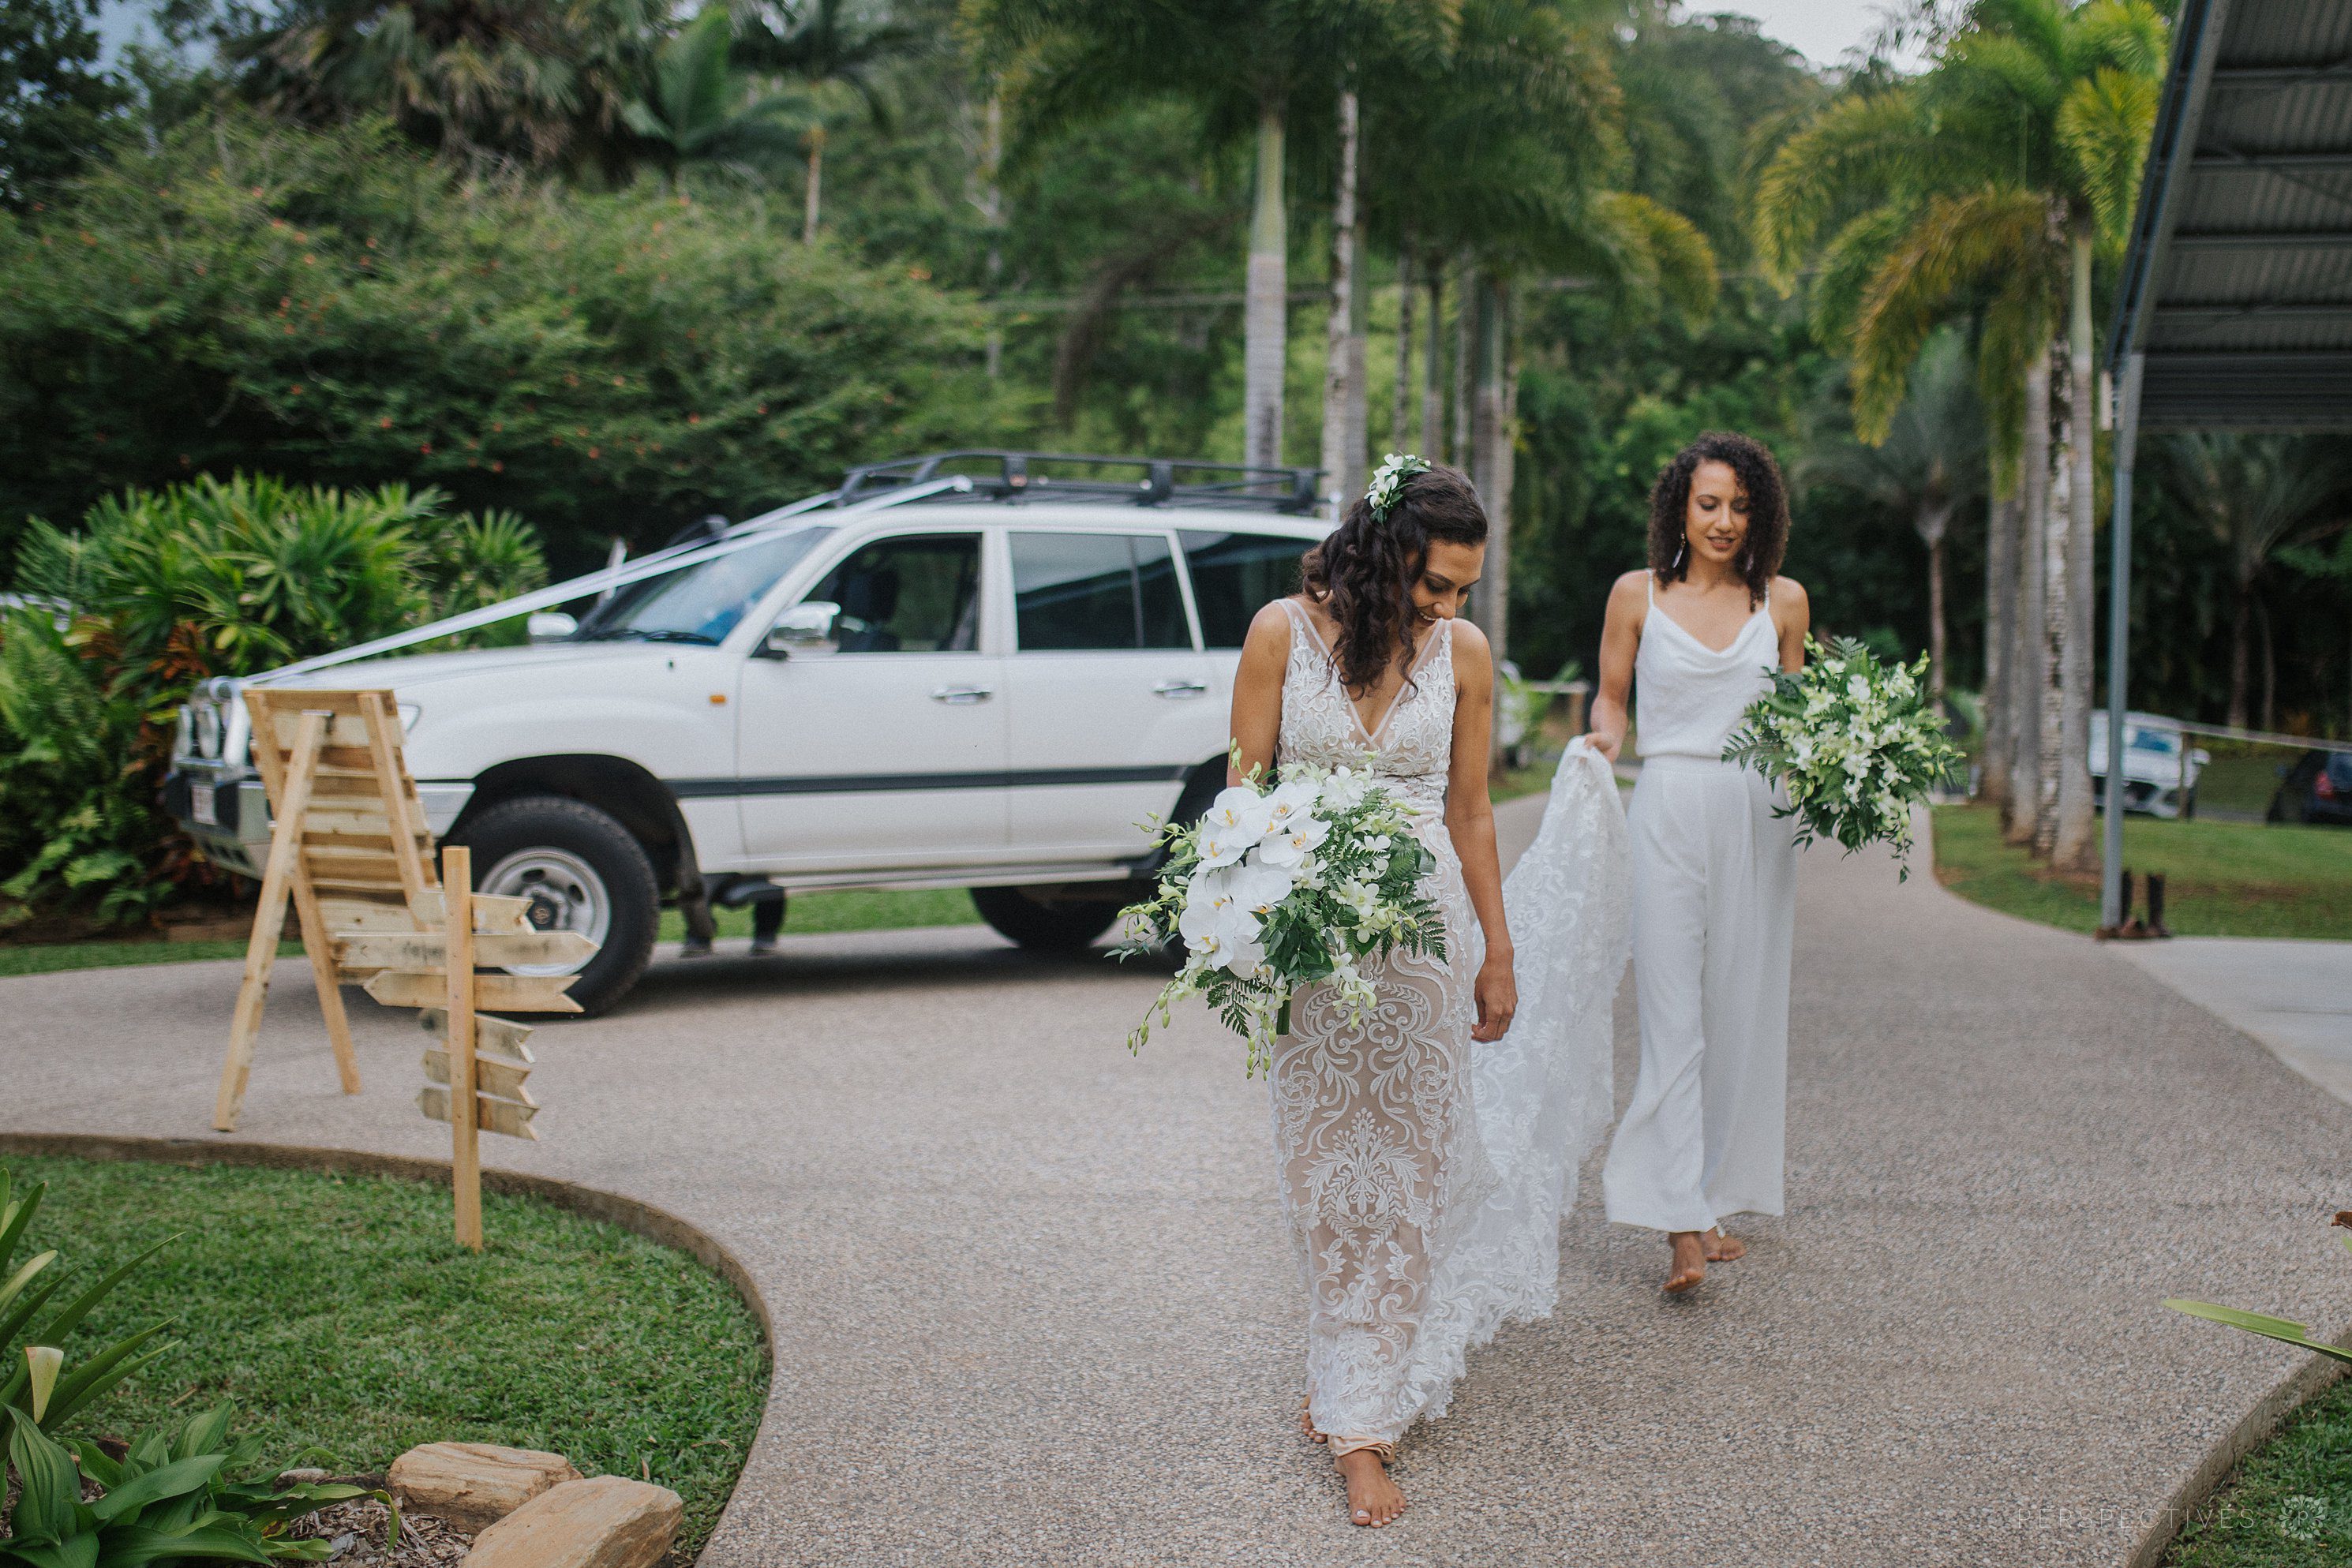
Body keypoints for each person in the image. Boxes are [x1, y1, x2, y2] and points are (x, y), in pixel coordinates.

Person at [1226, 458, 1519, 1529]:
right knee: (1321, 1171)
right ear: (1383, 548)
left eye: (1461, 591)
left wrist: (1498, 946)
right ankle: (1341, 1357)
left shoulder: (1466, 654)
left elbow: (1472, 810)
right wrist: (1240, 923)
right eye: (1434, 583)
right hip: (1314, 950)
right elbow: (1242, 795)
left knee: (1409, 1170)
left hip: (1423, 949)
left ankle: (1362, 1418)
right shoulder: (1277, 634)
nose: (1446, 608)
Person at [1587, 432, 1809, 1294]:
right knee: (1671, 1013)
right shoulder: (1634, 595)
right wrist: (1603, 740)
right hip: (1669, 807)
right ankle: (1678, 1222)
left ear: (1761, 513)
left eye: (1740, 505)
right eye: (1708, 503)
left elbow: (1797, 720)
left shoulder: (1783, 602)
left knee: (1738, 1010)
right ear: (1679, 506)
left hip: (1758, 815)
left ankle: (1709, 1197)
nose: (1723, 520)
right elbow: (1611, 696)